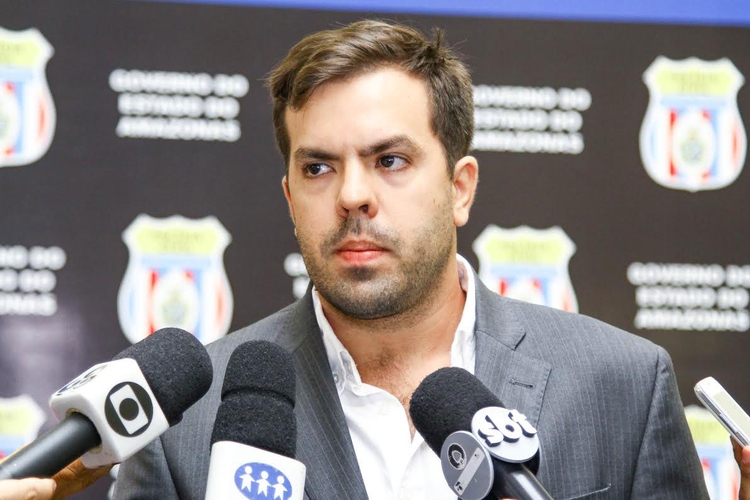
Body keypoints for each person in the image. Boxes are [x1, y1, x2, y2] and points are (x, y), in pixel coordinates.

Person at [113, 20, 709, 499]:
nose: (352, 196)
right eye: (318, 167)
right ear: (291, 200)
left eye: (390, 160)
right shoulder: (181, 424)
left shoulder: (623, 386)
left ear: (460, 188)